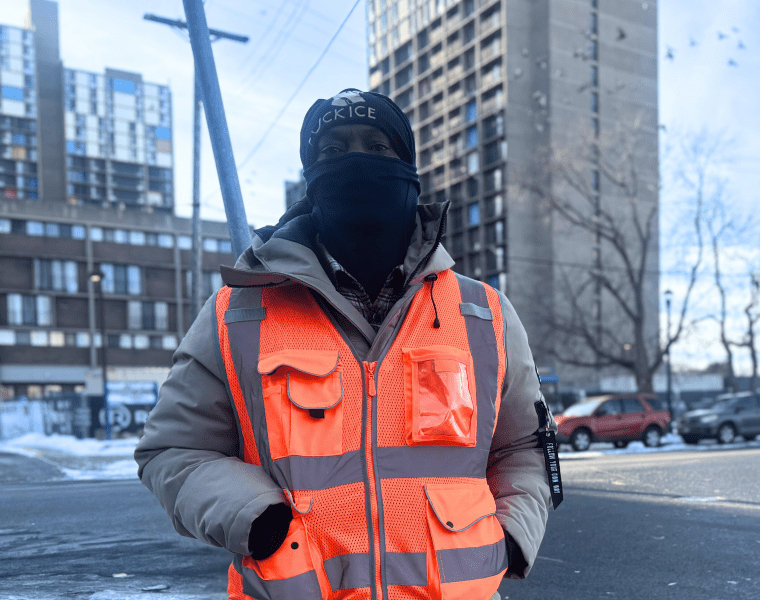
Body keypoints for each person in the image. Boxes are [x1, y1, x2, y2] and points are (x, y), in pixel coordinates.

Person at [135, 88, 558, 600]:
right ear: (311, 179)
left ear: (409, 168)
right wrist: (255, 518)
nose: (356, 160)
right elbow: (174, 449)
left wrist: (513, 536)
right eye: (333, 150)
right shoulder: (237, 313)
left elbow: (525, 447)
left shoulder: (483, 313)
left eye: (377, 146)